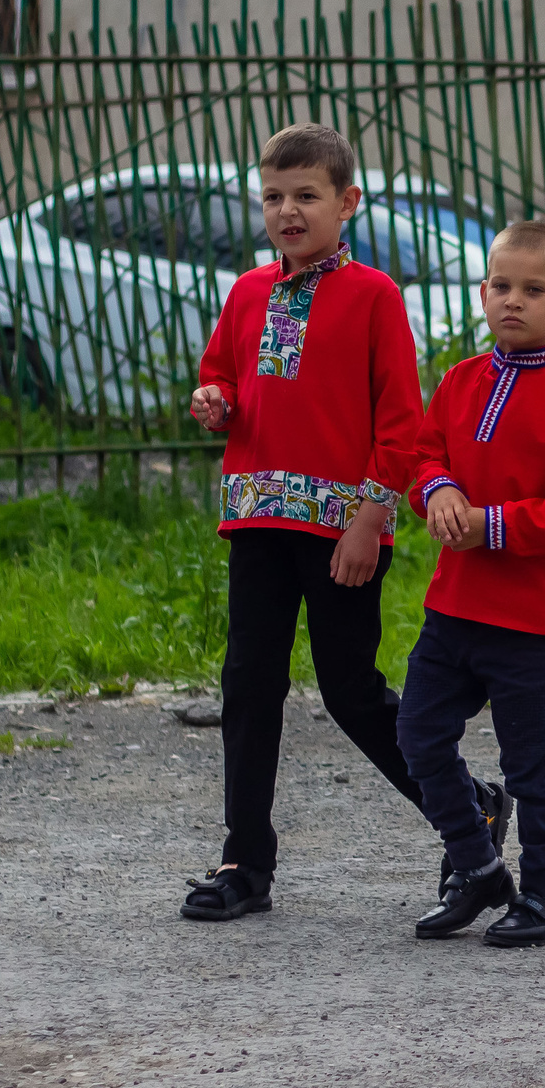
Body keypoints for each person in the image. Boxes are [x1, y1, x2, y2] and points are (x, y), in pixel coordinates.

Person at [180, 122, 437, 922]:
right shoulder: (247, 291)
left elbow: (401, 422)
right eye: (273, 197)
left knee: (351, 691)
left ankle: (466, 807)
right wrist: (213, 400)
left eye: (306, 196)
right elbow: (221, 371)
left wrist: (370, 518)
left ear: (347, 202)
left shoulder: (374, 296)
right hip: (256, 518)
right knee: (249, 684)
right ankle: (244, 863)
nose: (287, 211)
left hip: (340, 530)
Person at [397, 221, 545, 948]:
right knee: (418, 733)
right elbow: (423, 455)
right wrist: (438, 491)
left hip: (531, 619)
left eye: (533, 289)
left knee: (529, 762)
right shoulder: (459, 381)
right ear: (482, 291)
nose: (512, 300)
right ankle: (479, 864)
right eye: (500, 286)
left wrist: (490, 523)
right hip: (453, 607)